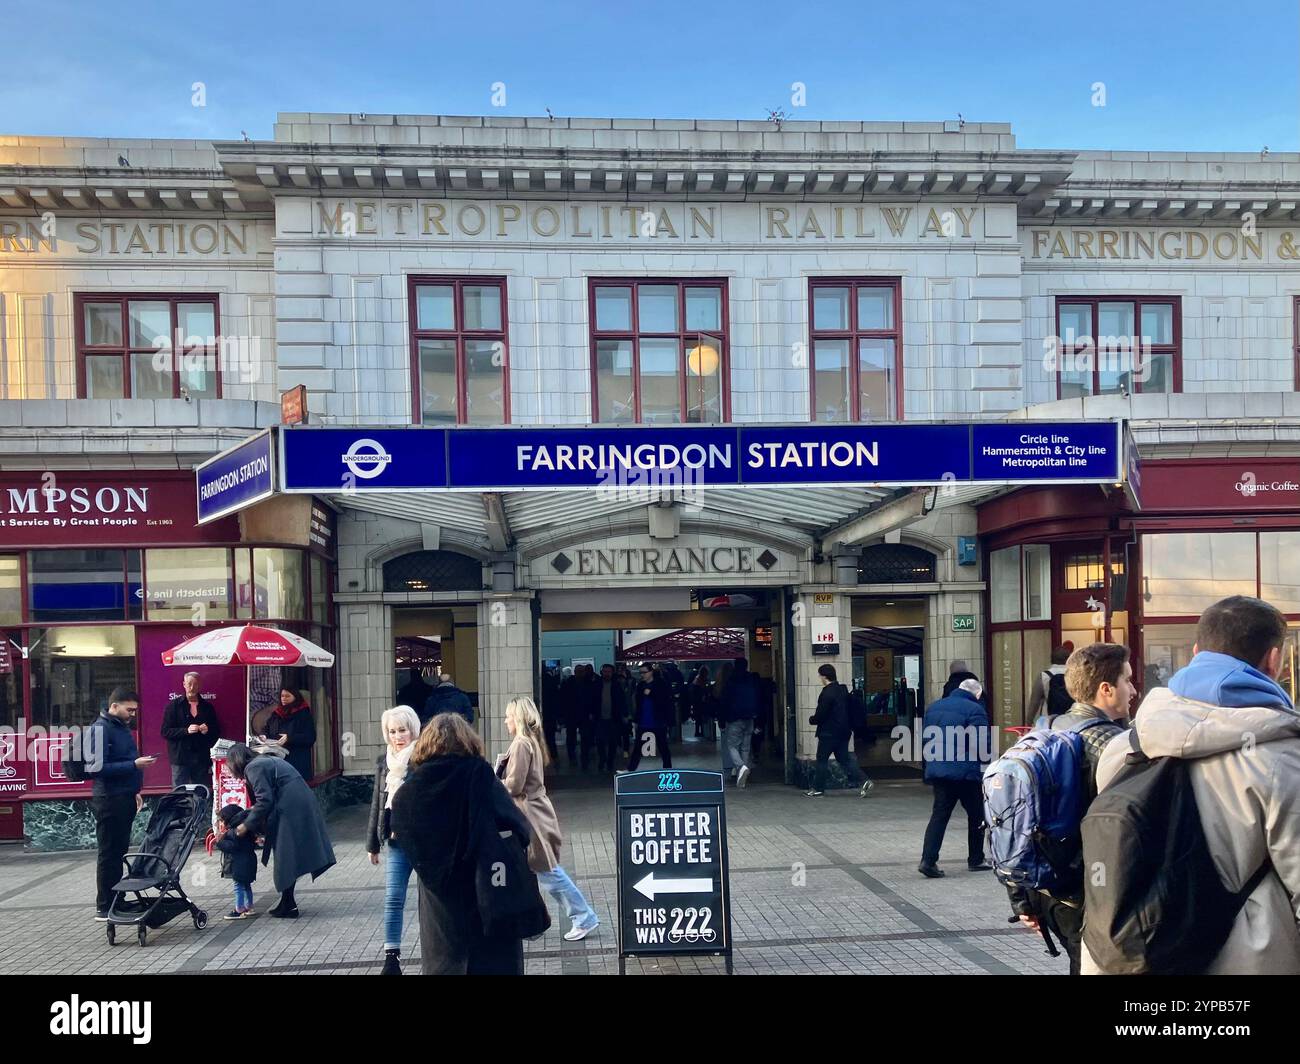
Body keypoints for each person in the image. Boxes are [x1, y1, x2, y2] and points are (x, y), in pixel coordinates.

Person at [1083, 597, 1300, 975]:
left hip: (1130, 957)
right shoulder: (1283, 756)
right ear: (1274, 660)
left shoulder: (1125, 747)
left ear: (1197, 652)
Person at [1007, 642, 1133, 974]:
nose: (1134, 690)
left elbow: (1018, 818)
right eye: (1128, 681)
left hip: (1046, 891)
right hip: (1091, 895)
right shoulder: (1115, 747)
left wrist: (1021, 899)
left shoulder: (1043, 731)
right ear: (1106, 689)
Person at [390, 712, 535, 975]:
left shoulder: (414, 787)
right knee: (491, 961)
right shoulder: (478, 775)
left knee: (446, 961)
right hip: (486, 891)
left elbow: (399, 821)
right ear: (467, 740)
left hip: (439, 900)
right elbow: (519, 826)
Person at [500, 696, 600, 941]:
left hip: (530, 815)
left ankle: (583, 916)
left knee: (547, 871)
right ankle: (533, 922)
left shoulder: (521, 744)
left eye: (509, 716)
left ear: (519, 718)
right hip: (534, 813)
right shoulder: (531, 741)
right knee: (536, 870)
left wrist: (494, 780)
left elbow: (514, 785)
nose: (505, 721)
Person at [228, 742, 336, 918]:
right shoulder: (261, 762)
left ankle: (289, 904)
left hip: (291, 807)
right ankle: (288, 902)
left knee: (285, 854)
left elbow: (264, 800)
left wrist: (246, 825)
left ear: (236, 761)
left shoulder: (253, 768)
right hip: (297, 802)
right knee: (288, 854)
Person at [86, 688, 155, 920]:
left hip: (123, 796)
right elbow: (97, 768)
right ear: (114, 706)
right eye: (129, 709)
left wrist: (134, 790)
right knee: (109, 853)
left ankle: (117, 901)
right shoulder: (100, 729)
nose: (132, 714)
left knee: (118, 852)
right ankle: (105, 906)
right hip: (109, 799)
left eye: (134, 710)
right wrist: (134, 765)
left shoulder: (118, 728)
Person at [366, 705, 422, 975]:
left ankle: (442, 949)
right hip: (395, 842)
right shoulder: (383, 761)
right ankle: (391, 958)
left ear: (413, 729)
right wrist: (372, 843)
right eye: (392, 731)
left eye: (403, 730)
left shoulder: (424, 758)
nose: (398, 736)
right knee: (393, 898)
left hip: (424, 843)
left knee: (433, 898)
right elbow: (378, 803)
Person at [918, 678, 993, 878]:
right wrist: (988, 766)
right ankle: (976, 859)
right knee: (977, 814)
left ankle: (928, 860)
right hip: (966, 772)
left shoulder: (934, 708)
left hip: (940, 771)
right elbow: (982, 743)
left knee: (939, 815)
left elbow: (926, 739)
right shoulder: (975, 709)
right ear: (977, 694)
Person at [806, 664, 872, 798]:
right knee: (844, 759)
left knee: (822, 760)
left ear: (824, 676)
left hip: (829, 732)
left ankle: (818, 789)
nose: (819, 678)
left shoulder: (827, 693)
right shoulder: (842, 690)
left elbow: (821, 714)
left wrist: (812, 719)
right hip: (844, 731)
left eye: (820, 675)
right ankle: (864, 780)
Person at [159, 671, 219, 788]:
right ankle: (180, 807)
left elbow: (216, 731)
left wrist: (208, 730)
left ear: (199, 685)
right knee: (179, 791)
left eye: (195, 684)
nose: (192, 688)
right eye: (189, 684)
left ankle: (201, 807)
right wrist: (185, 731)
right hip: (180, 758)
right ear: (184, 684)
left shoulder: (207, 707)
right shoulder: (173, 706)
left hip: (201, 757)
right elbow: (165, 732)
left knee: (201, 790)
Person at [720, 657, 759, 788]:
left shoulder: (731, 681)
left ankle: (741, 767)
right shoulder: (752, 679)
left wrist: (721, 719)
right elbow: (759, 698)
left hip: (735, 718)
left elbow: (724, 701)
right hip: (750, 717)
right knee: (746, 748)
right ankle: (741, 778)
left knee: (732, 746)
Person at [627, 664, 674, 771]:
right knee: (638, 747)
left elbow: (664, 701)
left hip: (657, 721)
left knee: (663, 746)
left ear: (651, 672)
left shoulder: (660, 684)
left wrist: (651, 694)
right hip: (644, 721)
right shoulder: (641, 686)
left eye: (644, 672)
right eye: (641, 673)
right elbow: (638, 704)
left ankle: (668, 768)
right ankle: (631, 769)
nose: (642, 675)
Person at [215, 803, 258, 920]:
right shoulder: (244, 826)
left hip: (240, 862)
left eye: (223, 820)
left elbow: (232, 846)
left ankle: (239, 909)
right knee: (246, 885)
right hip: (249, 860)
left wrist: (219, 842)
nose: (222, 823)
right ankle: (249, 907)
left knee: (238, 885)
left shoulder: (234, 830)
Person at [261, 687, 315, 780]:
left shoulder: (303, 713)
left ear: (295, 697)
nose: (284, 698)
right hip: (278, 759)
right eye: (282, 696)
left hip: (297, 761)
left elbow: (310, 737)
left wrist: (289, 738)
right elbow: (267, 727)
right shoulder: (277, 713)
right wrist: (264, 735)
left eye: (287, 696)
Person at [593, 664, 628, 772]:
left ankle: (610, 761)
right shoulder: (597, 685)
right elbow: (591, 700)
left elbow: (622, 701)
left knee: (613, 741)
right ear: (601, 672)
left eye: (608, 672)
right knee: (600, 741)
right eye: (605, 672)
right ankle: (603, 758)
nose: (607, 674)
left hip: (614, 717)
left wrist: (623, 714)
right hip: (600, 717)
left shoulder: (617, 685)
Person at [1025, 645, 1073, 721]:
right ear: (1068, 659)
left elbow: (1034, 702)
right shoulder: (1075, 675)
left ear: (1051, 659)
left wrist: (1029, 720)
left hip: (1049, 722)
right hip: (1070, 720)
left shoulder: (1044, 676)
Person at [541, 666, 561, 760]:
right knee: (550, 736)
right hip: (551, 713)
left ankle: (547, 755)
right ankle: (553, 754)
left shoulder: (542, 681)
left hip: (545, 712)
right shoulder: (552, 681)